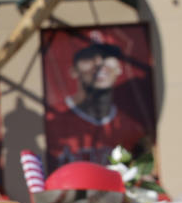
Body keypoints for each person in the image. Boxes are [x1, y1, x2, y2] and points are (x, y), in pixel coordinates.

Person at [44, 30, 150, 169]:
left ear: (119, 68)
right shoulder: (52, 120)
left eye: (107, 56)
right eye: (88, 57)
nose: (99, 63)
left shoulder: (132, 127)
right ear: (73, 70)